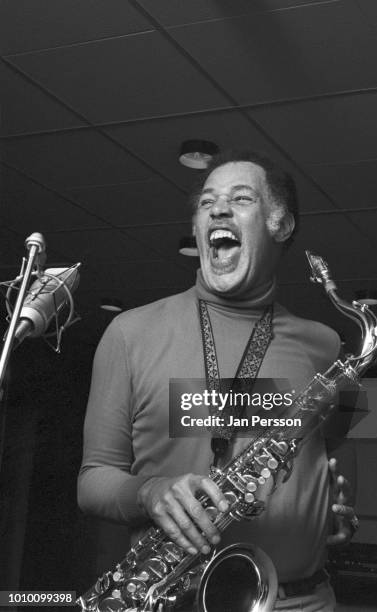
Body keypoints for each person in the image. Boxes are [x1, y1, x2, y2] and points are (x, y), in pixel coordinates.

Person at [78, 150, 357, 611]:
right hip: (175, 597)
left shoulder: (327, 344)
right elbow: (91, 482)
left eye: (240, 198)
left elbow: (329, 462)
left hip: (302, 600)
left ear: (280, 224)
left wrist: (335, 506)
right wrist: (149, 492)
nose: (218, 209)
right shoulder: (129, 332)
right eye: (206, 202)